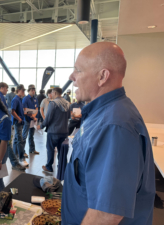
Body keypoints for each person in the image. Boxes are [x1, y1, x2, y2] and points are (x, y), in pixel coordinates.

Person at [62, 42, 155, 225]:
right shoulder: (103, 114)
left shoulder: (114, 126)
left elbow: (106, 214)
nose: (72, 76)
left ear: (102, 76)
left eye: (78, 70)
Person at [37, 87, 69, 173]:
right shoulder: (67, 103)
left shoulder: (53, 103)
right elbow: (69, 117)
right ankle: (62, 166)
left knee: (50, 149)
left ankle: (49, 167)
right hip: (64, 131)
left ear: (54, 93)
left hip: (53, 131)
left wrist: (41, 126)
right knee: (61, 150)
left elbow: (48, 118)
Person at [0, 83, 26, 171]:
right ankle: (16, 161)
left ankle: (14, 161)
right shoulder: (0, 96)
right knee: (11, 141)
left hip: (5, 122)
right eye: (6, 88)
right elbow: (10, 110)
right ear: (1, 88)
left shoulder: (2, 96)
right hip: (5, 123)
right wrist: (18, 118)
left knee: (14, 140)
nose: (7, 90)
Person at [11, 84, 28, 167]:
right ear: (18, 90)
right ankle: (21, 158)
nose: (24, 92)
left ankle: (15, 157)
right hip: (18, 122)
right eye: (23, 90)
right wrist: (19, 119)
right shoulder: (16, 99)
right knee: (20, 140)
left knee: (16, 140)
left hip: (20, 122)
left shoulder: (20, 99)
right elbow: (12, 111)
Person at [22, 84, 39, 157]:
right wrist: (32, 117)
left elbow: (37, 108)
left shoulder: (35, 99)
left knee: (31, 135)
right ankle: (22, 151)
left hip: (33, 120)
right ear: (29, 90)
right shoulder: (25, 99)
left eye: (34, 90)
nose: (33, 91)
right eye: (32, 90)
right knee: (24, 136)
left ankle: (32, 149)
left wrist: (34, 116)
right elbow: (25, 111)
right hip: (27, 120)